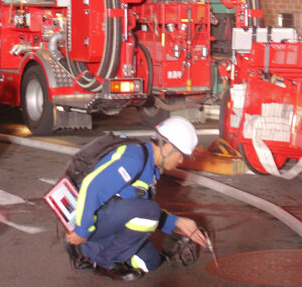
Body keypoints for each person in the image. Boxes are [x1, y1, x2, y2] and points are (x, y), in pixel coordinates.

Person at [65, 117, 207, 281]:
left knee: (151, 262)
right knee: (150, 210)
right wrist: (82, 231)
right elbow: (91, 187)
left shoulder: (150, 166)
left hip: (107, 219)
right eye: (181, 155)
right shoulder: (134, 159)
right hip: (87, 220)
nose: (181, 161)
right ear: (168, 147)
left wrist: (176, 222)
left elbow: (134, 207)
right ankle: (101, 258)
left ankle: (92, 250)